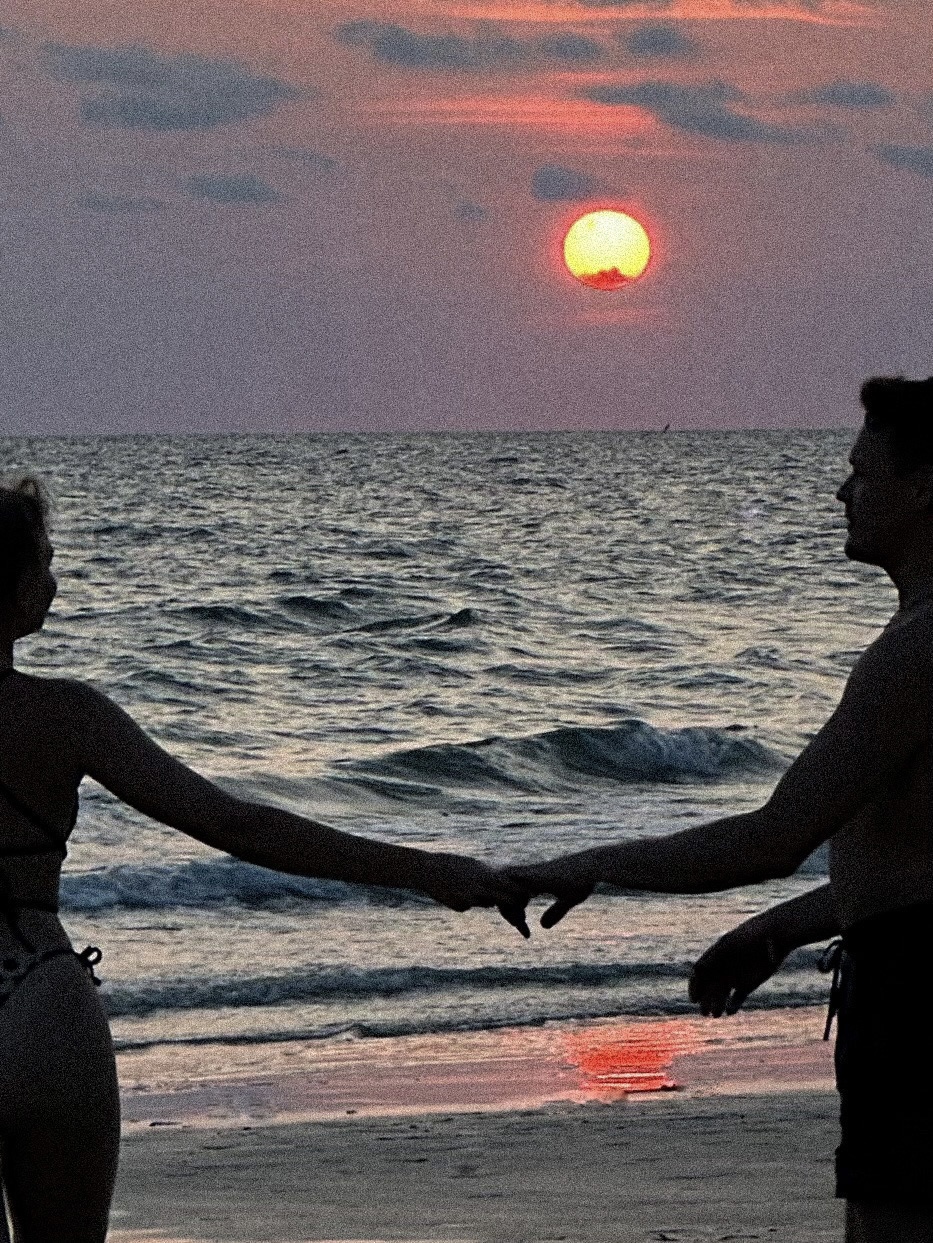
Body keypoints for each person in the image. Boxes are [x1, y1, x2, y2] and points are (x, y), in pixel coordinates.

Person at [0, 475, 529, 1243]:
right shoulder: (68, 715)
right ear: (16, 589)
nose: (55, 581)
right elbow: (237, 823)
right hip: (43, 1003)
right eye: (46, 563)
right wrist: (427, 869)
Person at [510, 376, 933, 1243]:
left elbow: (773, 837)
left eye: (862, 472)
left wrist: (592, 863)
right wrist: (781, 927)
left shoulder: (916, 651)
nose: (841, 491)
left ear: (925, 485)